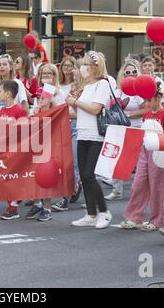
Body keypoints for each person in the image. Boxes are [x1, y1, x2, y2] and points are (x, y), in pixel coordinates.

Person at [67, 51, 112, 229]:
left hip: (96, 134)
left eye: (85, 64)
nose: (82, 68)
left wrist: (75, 103)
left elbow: (95, 109)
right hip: (82, 132)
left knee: (88, 174)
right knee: (85, 178)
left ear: (94, 66)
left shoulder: (102, 84)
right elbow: (80, 112)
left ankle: (104, 211)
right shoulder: (85, 86)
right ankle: (91, 213)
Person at [120, 88, 164, 231]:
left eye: (150, 100)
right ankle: (134, 217)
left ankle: (157, 220)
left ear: (159, 98)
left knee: (157, 186)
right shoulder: (148, 114)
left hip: (159, 151)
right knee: (138, 183)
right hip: (145, 150)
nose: (147, 103)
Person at [104, 60, 149, 201]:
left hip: (137, 128)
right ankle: (117, 190)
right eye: (127, 72)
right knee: (118, 158)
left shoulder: (140, 90)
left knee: (139, 161)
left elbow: (147, 109)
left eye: (134, 71)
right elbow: (112, 107)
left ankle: (141, 191)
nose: (131, 74)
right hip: (120, 128)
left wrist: (129, 115)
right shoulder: (118, 90)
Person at [52, 57, 84, 211]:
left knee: (75, 163)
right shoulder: (62, 87)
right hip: (63, 126)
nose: (70, 70)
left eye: (73, 67)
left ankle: (66, 195)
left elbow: (83, 111)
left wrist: (65, 111)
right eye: (65, 66)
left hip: (78, 127)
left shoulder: (84, 88)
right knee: (64, 163)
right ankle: (73, 188)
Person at [0, 80, 28, 220]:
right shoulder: (2, 110)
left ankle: (13, 208)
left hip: (15, 150)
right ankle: (12, 204)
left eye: (0, 91)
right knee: (4, 177)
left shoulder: (19, 110)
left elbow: (25, 130)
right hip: (3, 149)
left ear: (8, 94)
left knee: (12, 178)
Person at [25, 88, 57, 221]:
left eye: (42, 98)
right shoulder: (35, 111)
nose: (39, 100)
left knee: (46, 179)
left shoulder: (55, 112)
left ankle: (47, 208)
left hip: (50, 150)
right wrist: (34, 116)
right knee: (33, 176)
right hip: (35, 148)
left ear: (50, 99)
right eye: (38, 98)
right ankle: (38, 204)